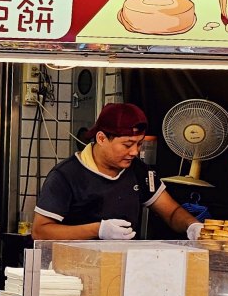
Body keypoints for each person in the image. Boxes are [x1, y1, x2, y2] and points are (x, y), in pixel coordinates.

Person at [32, 103, 202, 242]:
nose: (135, 152)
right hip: (74, 273)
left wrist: (192, 225)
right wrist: (97, 230)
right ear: (101, 138)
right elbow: (40, 231)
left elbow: (171, 212)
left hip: (125, 269)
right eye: (128, 145)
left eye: (139, 144)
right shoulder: (66, 175)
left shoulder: (138, 170)